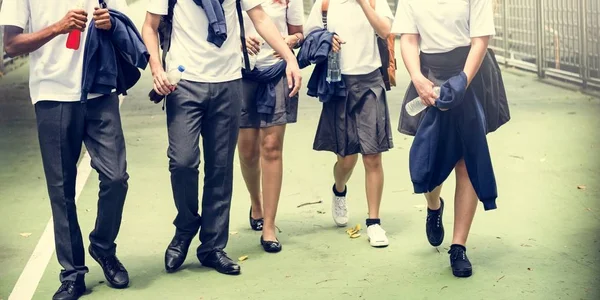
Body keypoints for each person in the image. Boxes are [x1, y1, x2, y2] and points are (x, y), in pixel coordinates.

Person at [142, 0, 302, 275]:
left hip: (228, 81)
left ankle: (213, 247)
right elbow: (149, 26)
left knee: (220, 169)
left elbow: (260, 17)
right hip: (183, 82)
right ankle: (186, 224)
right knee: (183, 162)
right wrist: (156, 66)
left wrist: (290, 57)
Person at [1, 0, 141, 299]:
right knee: (62, 189)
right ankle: (72, 273)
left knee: (116, 177)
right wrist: (58, 27)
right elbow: (11, 45)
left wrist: (110, 23)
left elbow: (124, 24)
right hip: (52, 94)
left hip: (100, 90)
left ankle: (103, 247)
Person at [392, 0, 510, 277]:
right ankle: (434, 206)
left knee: (465, 159)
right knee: (431, 156)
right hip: (429, 76)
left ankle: (459, 246)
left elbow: (480, 39)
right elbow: (408, 39)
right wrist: (418, 78)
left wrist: (463, 81)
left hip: (469, 71)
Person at [303, 0, 394, 247]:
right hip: (337, 82)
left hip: (370, 82)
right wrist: (326, 38)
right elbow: (309, 34)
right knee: (346, 158)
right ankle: (339, 189)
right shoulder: (325, 3)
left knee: (373, 155)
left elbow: (385, 30)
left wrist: (364, 3)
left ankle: (374, 222)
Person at [238, 0, 304, 253]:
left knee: (272, 147)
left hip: (277, 72)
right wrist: (239, 42)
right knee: (247, 151)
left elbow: (298, 31)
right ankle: (256, 203)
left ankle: (269, 224)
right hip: (240, 72)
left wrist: (291, 41)